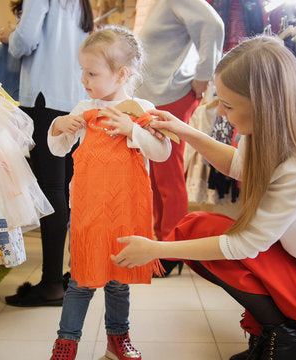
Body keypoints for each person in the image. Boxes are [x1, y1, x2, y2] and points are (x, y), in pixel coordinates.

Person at [111, 36, 296, 360]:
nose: (219, 111)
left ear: (262, 105)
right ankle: (272, 329)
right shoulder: (270, 133)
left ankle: (287, 339)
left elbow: (244, 245)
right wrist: (184, 130)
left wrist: (156, 249)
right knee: (195, 228)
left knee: (201, 234)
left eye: (228, 105)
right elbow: (237, 165)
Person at [47, 26, 171, 360]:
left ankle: (118, 339)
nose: (84, 79)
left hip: (125, 210)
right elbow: (59, 149)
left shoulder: (140, 107)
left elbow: (162, 152)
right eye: (82, 72)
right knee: (81, 278)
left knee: (118, 280)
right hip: (88, 209)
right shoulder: (83, 107)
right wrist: (58, 127)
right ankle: (66, 342)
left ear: (122, 74)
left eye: (92, 73)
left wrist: (134, 130)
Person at [0, 0, 94, 307]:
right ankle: (68, 275)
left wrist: (8, 36)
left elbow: (24, 41)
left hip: (44, 97)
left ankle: (53, 283)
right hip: (73, 98)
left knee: (51, 191)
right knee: (65, 191)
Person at [135, 0, 225, 276]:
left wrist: (205, 75)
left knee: (168, 177)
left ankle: (172, 252)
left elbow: (214, 24)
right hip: (156, 98)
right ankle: (162, 247)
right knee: (156, 177)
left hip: (170, 97)